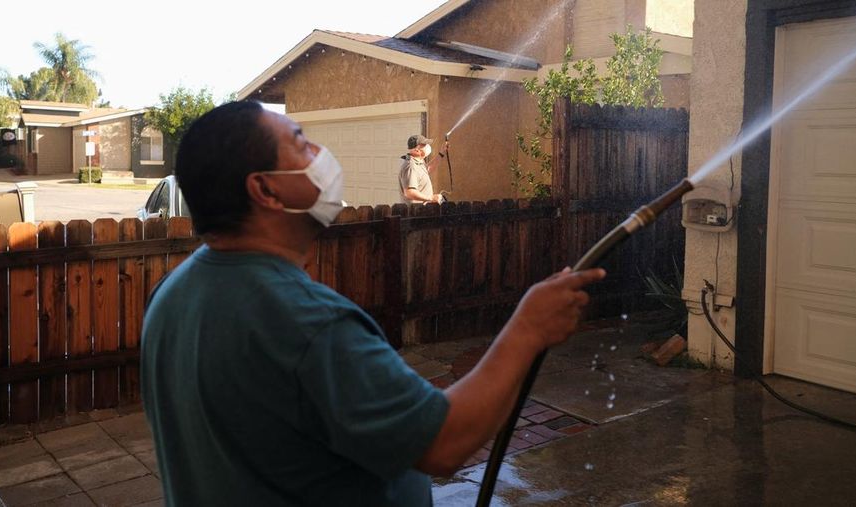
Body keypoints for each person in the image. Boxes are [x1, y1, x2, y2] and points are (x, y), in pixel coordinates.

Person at [141, 101, 605, 507]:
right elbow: (444, 442)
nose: (321, 157)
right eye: (302, 146)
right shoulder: (311, 326)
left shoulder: (172, 293)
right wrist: (526, 329)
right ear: (265, 189)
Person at [399, 134, 448, 204]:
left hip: (422, 210)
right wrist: (431, 198)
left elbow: (427, 169)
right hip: (416, 212)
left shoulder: (418, 161)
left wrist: (441, 153)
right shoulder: (411, 166)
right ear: (417, 150)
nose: (427, 146)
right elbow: (409, 192)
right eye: (424, 145)